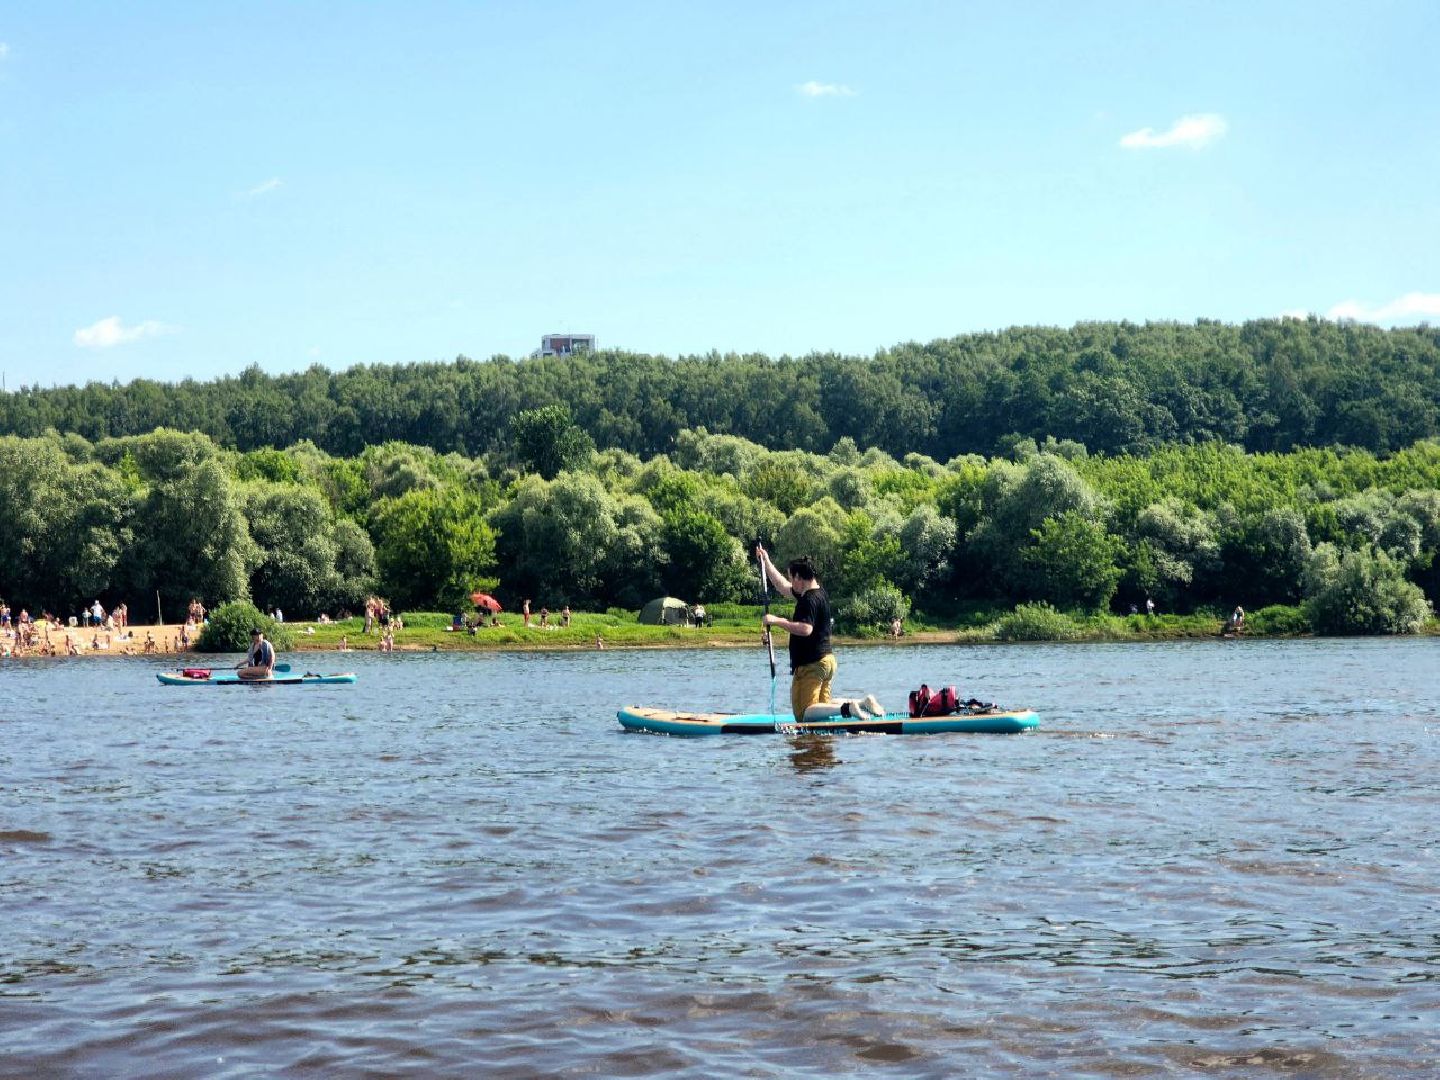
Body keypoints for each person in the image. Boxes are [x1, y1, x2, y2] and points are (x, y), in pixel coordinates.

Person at [756, 544, 835, 724]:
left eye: (792, 578)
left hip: (812, 664)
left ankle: (851, 706)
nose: (791, 582)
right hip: (826, 661)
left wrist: (776, 621)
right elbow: (781, 585)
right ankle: (853, 706)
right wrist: (766, 561)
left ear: (800, 578)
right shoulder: (817, 592)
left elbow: (806, 629)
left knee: (805, 714)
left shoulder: (809, 599)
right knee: (820, 713)